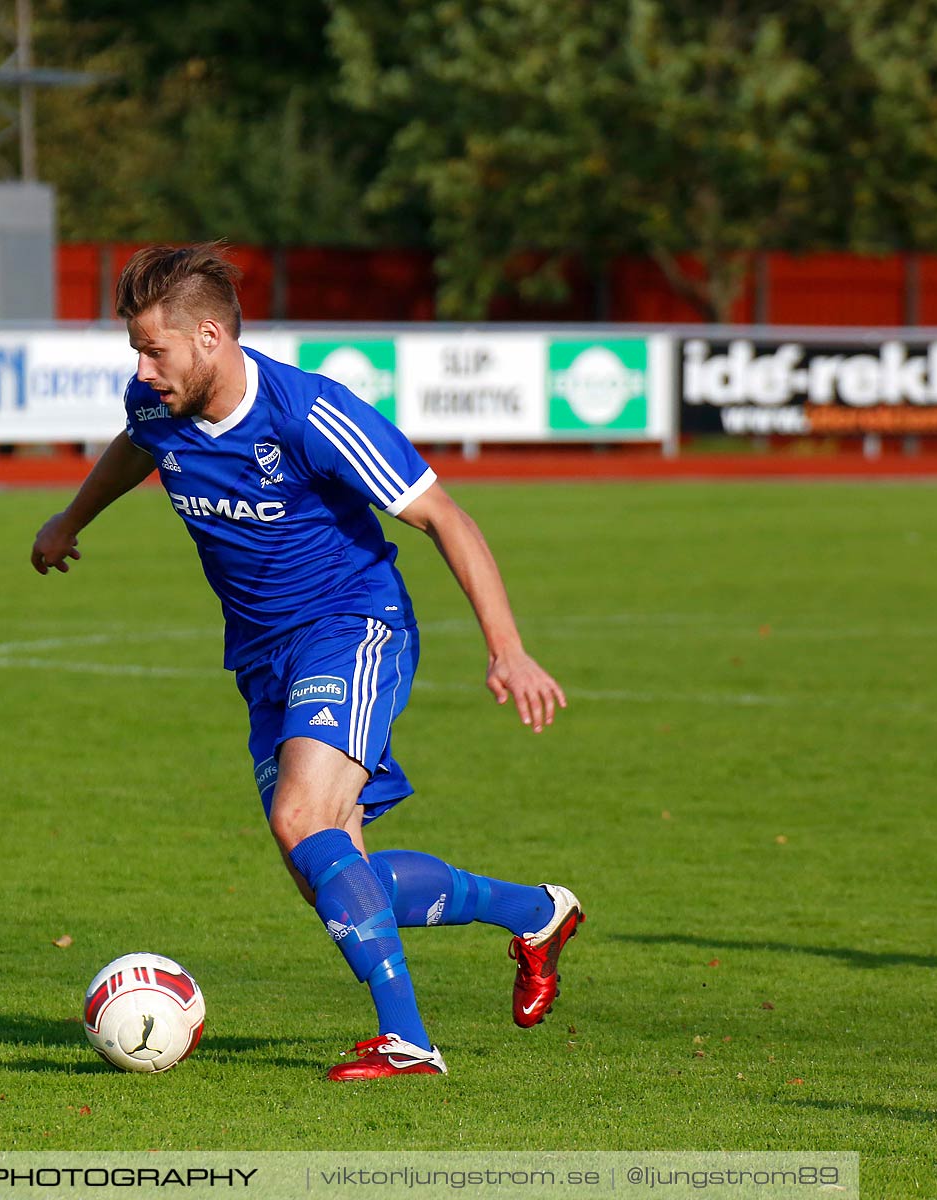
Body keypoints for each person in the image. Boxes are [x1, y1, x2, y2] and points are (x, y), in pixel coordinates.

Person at [30, 244, 585, 1080]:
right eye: (136, 352)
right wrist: (72, 518)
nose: (142, 369)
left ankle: (410, 1042)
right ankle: (535, 913)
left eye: (155, 349)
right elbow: (137, 446)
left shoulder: (308, 414)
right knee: (329, 877)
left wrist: (508, 649)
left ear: (210, 337)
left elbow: (443, 516)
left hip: (351, 625)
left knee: (303, 821)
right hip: (260, 656)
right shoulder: (155, 404)